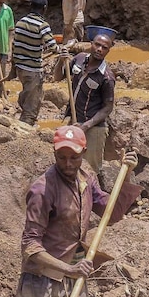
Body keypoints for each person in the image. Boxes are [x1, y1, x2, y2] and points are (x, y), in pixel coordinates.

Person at [10, 126, 140, 297]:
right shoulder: (42, 190)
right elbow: (30, 246)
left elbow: (112, 213)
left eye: (74, 157)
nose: (68, 164)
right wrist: (67, 269)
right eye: (62, 157)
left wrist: (126, 175)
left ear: (83, 154)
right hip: (41, 283)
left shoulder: (85, 178)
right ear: (55, 154)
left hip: (73, 281)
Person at [53, 32, 116, 187]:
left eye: (104, 47)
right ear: (91, 44)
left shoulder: (106, 77)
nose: (99, 49)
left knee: (90, 169)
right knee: (69, 163)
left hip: (93, 128)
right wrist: (61, 61)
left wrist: (86, 126)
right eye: (97, 45)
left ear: (108, 51)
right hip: (74, 122)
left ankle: (93, 202)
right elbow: (57, 77)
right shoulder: (79, 59)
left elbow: (108, 108)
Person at [11, 0, 59, 125]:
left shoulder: (20, 22)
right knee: (32, 106)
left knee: (27, 93)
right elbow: (52, 46)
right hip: (33, 70)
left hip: (20, 68)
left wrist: (12, 67)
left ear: (31, 6)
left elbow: (14, 45)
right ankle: (25, 131)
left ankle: (23, 115)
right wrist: (61, 49)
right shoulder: (42, 25)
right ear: (44, 8)